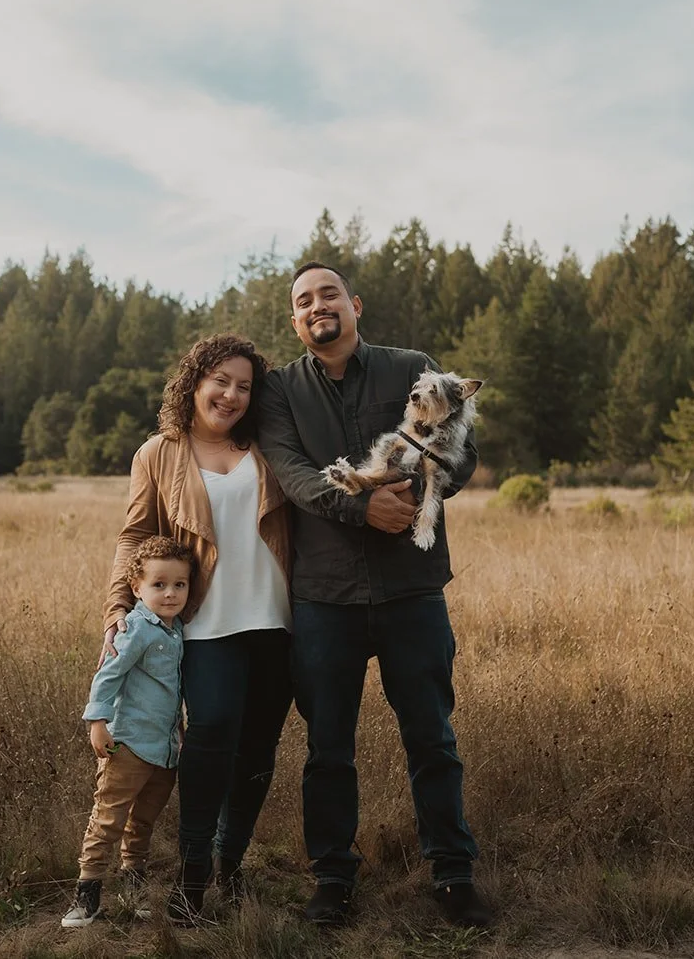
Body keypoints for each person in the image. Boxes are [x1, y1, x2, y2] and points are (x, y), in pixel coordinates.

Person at [257, 261, 494, 929]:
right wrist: (364, 511)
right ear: (294, 320)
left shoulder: (411, 367)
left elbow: (461, 448)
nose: (316, 306)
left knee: (432, 737)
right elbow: (296, 475)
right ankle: (332, 880)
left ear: (354, 304)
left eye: (328, 293)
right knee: (328, 747)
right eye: (303, 301)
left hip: (411, 592)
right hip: (323, 598)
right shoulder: (279, 391)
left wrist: (415, 494)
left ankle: (452, 874)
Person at [100, 333, 294, 924]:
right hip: (205, 624)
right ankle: (191, 883)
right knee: (209, 740)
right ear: (195, 383)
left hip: (277, 621)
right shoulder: (159, 453)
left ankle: (230, 866)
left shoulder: (269, 444)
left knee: (259, 748)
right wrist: (116, 606)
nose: (231, 395)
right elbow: (135, 535)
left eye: (243, 386)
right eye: (221, 382)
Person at [63, 535, 194, 929]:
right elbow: (108, 675)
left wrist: (181, 732)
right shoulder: (135, 628)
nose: (170, 594)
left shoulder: (178, 630)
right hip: (129, 744)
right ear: (136, 588)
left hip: (165, 749)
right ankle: (86, 896)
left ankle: (133, 888)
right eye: (159, 585)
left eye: (179, 585)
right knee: (108, 819)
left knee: (143, 823)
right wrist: (98, 722)